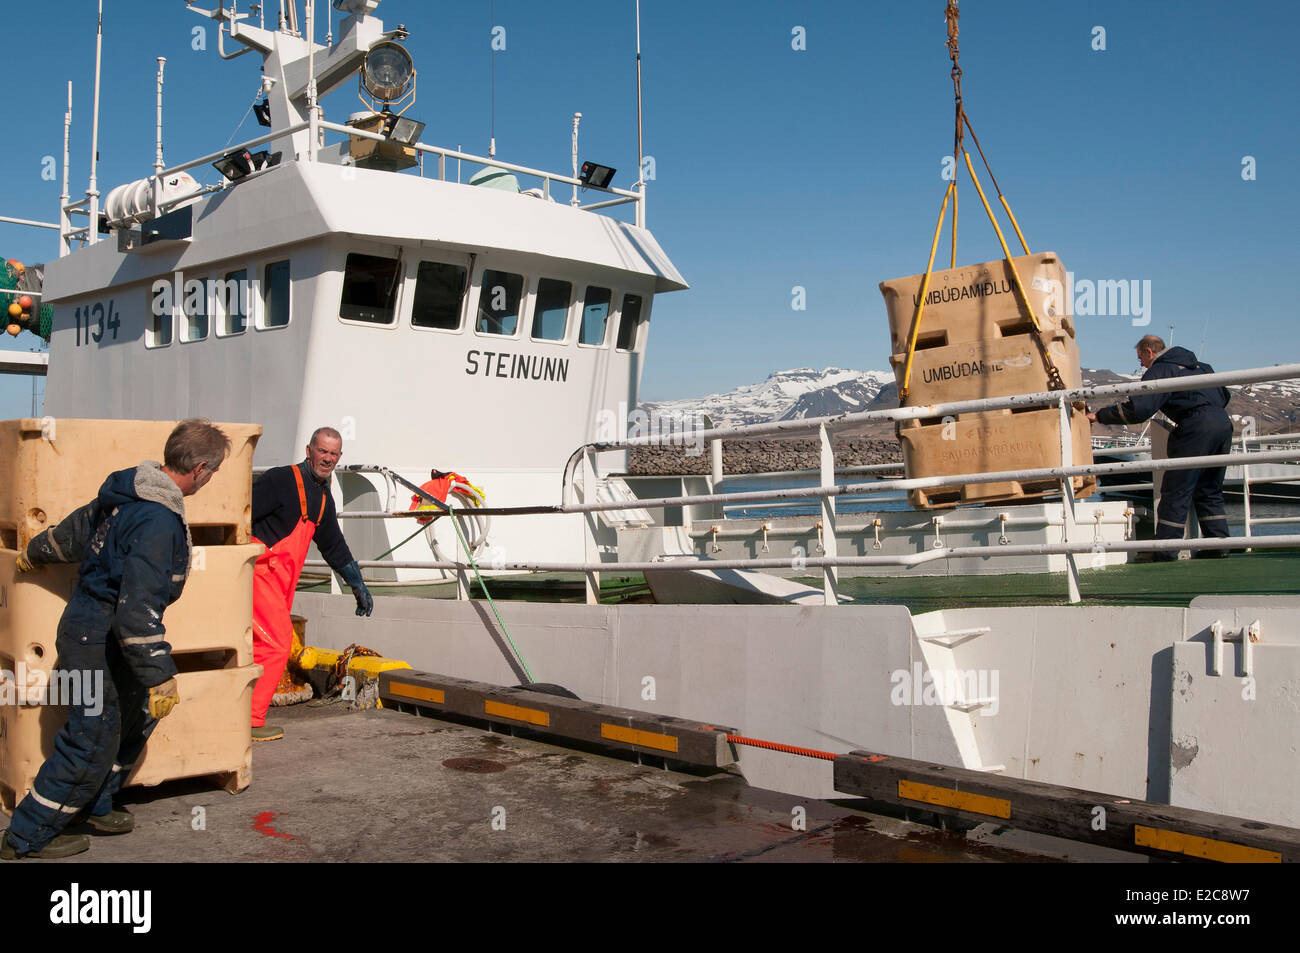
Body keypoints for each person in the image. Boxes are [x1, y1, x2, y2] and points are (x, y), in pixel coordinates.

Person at [1, 419, 231, 860]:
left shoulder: (128, 492)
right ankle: (24, 837)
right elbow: (137, 611)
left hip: (108, 639)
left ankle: (93, 805)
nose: (211, 481)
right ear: (200, 469)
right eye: (213, 473)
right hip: (95, 640)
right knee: (91, 736)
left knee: (136, 713)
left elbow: (77, 530)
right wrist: (160, 674)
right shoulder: (158, 520)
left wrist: (38, 550)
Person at [249, 426, 372, 741]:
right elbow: (241, 512)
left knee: (256, 645)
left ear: (339, 457)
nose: (327, 458)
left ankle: (238, 714)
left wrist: (357, 585)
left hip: (281, 583)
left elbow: (333, 546)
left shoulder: (322, 498)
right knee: (278, 642)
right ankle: (250, 722)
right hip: (257, 574)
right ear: (308, 450)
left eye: (333, 454)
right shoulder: (280, 480)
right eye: (322, 451)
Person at [1088, 335, 1232, 561]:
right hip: (1222, 424)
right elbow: (1225, 395)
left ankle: (1165, 550)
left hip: (1195, 427)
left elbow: (1140, 409)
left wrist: (1099, 415)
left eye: (1141, 359)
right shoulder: (1203, 367)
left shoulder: (1162, 369)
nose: (1142, 364)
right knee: (1209, 488)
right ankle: (1220, 544)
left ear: (1149, 351)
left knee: (1177, 489)